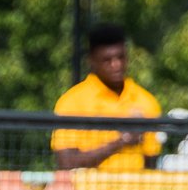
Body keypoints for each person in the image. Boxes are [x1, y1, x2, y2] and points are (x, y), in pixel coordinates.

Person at [51, 24, 161, 171]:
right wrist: (121, 142)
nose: (116, 65)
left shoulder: (146, 101)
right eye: (107, 60)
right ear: (91, 61)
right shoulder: (72, 102)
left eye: (121, 57)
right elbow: (66, 163)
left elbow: (151, 163)